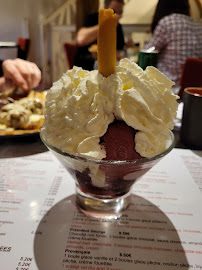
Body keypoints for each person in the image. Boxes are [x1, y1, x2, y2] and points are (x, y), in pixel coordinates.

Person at [144, 0, 202, 85]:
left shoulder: (167, 22)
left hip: (169, 87)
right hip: (193, 88)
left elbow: (148, 52)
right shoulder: (198, 25)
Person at [75, 0, 126, 71]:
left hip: (109, 68)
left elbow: (120, 50)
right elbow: (81, 39)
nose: (116, 16)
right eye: (113, 11)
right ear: (105, 7)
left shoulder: (118, 27)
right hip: (86, 67)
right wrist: (105, 24)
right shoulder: (92, 18)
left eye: (120, 12)